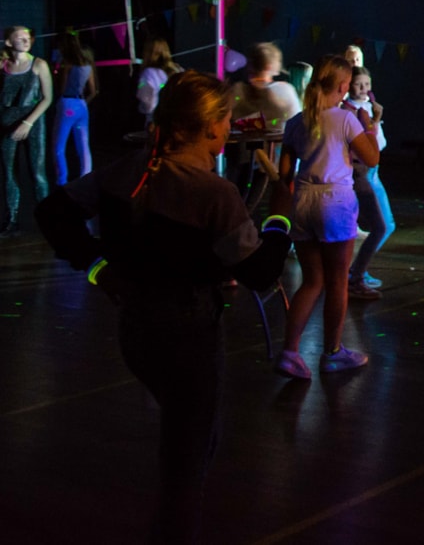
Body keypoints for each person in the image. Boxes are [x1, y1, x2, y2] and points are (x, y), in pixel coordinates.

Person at [35, 71, 293, 544]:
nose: (230, 127)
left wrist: (99, 268)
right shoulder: (214, 193)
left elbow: (52, 212)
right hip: (189, 335)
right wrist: (280, 216)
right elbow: (260, 273)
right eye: (227, 119)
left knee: (187, 444)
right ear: (212, 127)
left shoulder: (131, 171)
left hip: (135, 327)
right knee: (187, 464)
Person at [274, 55, 382, 379]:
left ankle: (289, 352)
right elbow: (372, 158)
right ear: (342, 86)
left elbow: (283, 173)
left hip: (303, 200)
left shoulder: (297, 122)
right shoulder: (346, 119)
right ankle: (333, 353)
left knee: (311, 281)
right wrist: (369, 124)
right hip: (334, 201)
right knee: (337, 282)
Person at [345, 66, 392, 298]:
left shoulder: (367, 108)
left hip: (372, 171)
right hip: (361, 171)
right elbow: (367, 148)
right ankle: (356, 273)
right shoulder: (351, 112)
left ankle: (357, 270)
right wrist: (373, 122)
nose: (364, 89)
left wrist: (375, 121)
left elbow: (380, 144)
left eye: (367, 84)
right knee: (381, 225)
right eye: (358, 84)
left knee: (386, 225)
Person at [2, 26, 53, 237]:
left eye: (27, 37)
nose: (25, 40)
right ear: (8, 42)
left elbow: (47, 98)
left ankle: (48, 220)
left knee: (37, 172)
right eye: (19, 37)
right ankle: (12, 221)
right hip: (7, 123)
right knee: (9, 173)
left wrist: (28, 123)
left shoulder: (39, 64)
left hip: (33, 122)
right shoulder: (4, 65)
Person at [52, 30, 97, 185]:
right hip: (82, 105)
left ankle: (62, 180)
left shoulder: (67, 63)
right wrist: (84, 103)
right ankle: (86, 177)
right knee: (83, 146)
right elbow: (93, 91)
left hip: (67, 103)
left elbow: (62, 88)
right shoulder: (87, 64)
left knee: (59, 146)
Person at [230, 42, 301, 131]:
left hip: (241, 140)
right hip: (279, 140)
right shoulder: (285, 90)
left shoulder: (238, 91)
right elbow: (297, 122)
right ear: (269, 67)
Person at [136, 37, 182, 124]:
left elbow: (148, 102)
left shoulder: (149, 73)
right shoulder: (178, 69)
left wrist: (141, 108)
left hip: (157, 121)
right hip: (178, 120)